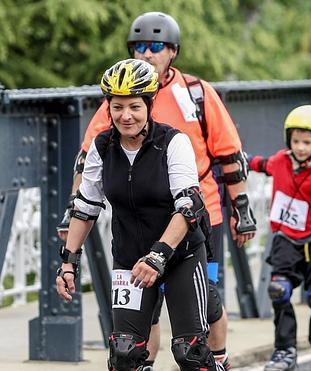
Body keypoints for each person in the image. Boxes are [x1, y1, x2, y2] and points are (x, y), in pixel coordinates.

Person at [56, 12, 256, 370]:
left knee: (192, 346)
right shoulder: (107, 136)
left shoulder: (190, 104)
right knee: (126, 350)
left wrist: (241, 207)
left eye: (156, 46)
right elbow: (86, 185)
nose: (125, 114)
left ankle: (219, 360)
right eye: (139, 47)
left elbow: (223, 160)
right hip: (131, 245)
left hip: (186, 235)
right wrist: (68, 258)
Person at [247, 105, 311, 371]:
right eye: (295, 141)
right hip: (285, 239)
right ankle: (284, 350)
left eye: (306, 142)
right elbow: (260, 164)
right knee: (278, 290)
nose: (300, 147)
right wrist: (237, 158)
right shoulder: (280, 160)